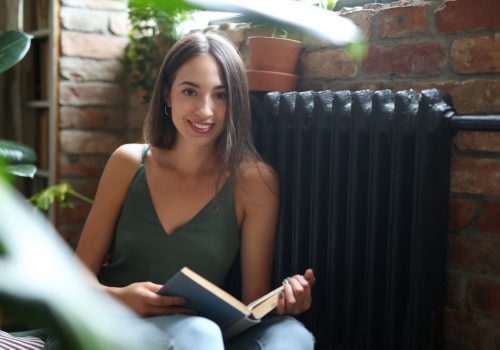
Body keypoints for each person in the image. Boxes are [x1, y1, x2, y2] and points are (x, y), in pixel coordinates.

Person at [72, 31, 315, 349]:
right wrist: (121, 298)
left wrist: (286, 300)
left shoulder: (255, 181)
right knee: (199, 333)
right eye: (190, 91)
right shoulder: (128, 163)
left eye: (221, 95)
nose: (205, 110)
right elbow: (75, 281)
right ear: (167, 96)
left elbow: (253, 302)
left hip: (201, 335)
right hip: (114, 327)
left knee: (291, 333)